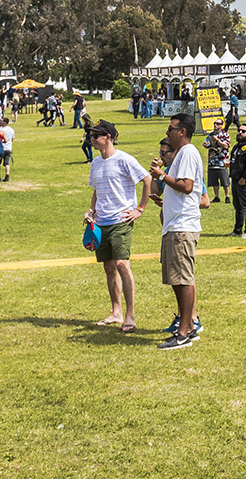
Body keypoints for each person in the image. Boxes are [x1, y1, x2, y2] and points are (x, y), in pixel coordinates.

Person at [85, 120, 147, 329]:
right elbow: (96, 191)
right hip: (101, 223)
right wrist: (91, 212)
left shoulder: (124, 159)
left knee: (122, 264)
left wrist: (139, 209)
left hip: (121, 220)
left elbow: (146, 180)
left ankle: (130, 315)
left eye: (96, 136)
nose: (92, 139)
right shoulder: (95, 163)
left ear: (108, 137)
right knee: (109, 267)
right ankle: (116, 312)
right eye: (91, 136)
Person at [154, 115, 205, 350]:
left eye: (171, 128)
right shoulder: (183, 154)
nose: (168, 131)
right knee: (180, 278)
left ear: (182, 131)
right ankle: (190, 327)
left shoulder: (186, 152)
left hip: (182, 226)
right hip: (176, 224)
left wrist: (162, 176)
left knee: (182, 279)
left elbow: (187, 186)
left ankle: (183, 333)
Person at [205, 124, 230, 204]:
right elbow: (207, 144)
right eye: (215, 123)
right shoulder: (210, 134)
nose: (216, 125)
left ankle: (227, 196)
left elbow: (226, 146)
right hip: (212, 160)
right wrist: (206, 145)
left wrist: (217, 140)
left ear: (221, 125)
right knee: (213, 180)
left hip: (222, 161)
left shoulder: (225, 134)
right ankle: (216, 197)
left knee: (224, 179)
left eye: (218, 124)